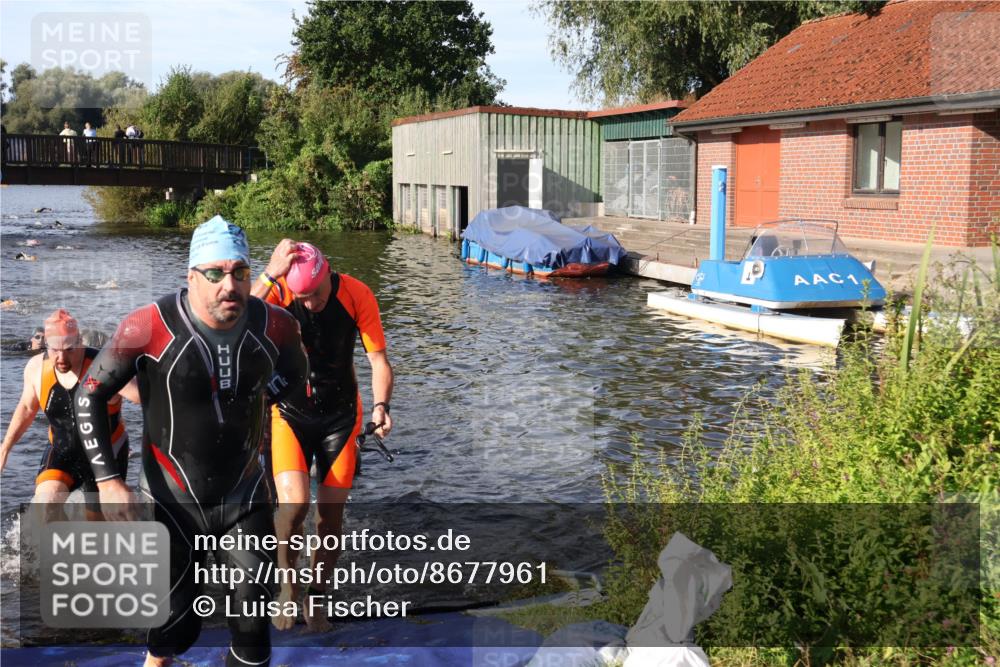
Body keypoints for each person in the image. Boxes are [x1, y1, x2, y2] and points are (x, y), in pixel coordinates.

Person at [76, 216, 308, 667]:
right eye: (216, 273)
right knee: (177, 626)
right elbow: (89, 397)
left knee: (252, 627)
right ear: (191, 277)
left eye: (241, 272)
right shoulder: (149, 325)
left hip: (244, 496)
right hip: (171, 498)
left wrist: (261, 396)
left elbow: (296, 377)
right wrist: (107, 481)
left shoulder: (276, 325)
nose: (230, 285)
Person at [252, 239, 394, 631]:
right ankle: (287, 587)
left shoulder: (356, 293)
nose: (308, 303)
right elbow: (238, 319)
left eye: (314, 294)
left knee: (329, 516)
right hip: (289, 414)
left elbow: (379, 361)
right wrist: (269, 274)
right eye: (302, 296)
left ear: (327, 275)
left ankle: (317, 595)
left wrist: (382, 405)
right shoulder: (280, 291)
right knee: (293, 507)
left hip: (340, 417)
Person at [0, 310, 136, 521]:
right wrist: (5, 447)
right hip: (61, 449)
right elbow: (27, 409)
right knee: (45, 508)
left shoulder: (104, 365)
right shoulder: (36, 368)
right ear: (46, 343)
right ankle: (61, 550)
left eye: (69, 349)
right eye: (55, 350)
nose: (61, 358)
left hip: (106, 456)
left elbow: (142, 395)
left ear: (80, 341)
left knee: (97, 529)